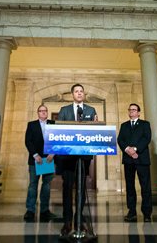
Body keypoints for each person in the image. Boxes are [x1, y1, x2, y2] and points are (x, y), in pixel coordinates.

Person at [57, 83, 98, 237]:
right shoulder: (64, 110)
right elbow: (59, 129)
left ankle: (79, 219)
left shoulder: (91, 110)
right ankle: (67, 221)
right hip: (67, 156)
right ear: (72, 94)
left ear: (84, 94)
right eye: (76, 91)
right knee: (67, 188)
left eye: (81, 91)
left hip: (83, 156)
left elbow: (94, 131)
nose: (79, 93)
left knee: (80, 188)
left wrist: (95, 125)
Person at [117, 103, 152, 222]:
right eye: (130, 109)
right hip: (128, 160)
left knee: (145, 187)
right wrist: (128, 150)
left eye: (134, 110)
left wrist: (135, 149)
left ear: (138, 112)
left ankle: (147, 213)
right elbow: (120, 139)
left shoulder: (145, 124)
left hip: (142, 159)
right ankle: (132, 212)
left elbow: (146, 138)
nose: (131, 111)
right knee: (130, 187)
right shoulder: (124, 125)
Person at [23, 104, 58, 222]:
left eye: (45, 111)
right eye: (41, 111)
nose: (43, 112)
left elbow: (57, 140)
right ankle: (30, 210)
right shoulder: (31, 125)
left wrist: (53, 153)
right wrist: (35, 155)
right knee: (33, 185)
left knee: (46, 186)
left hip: (48, 159)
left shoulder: (53, 124)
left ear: (47, 112)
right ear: (38, 113)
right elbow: (28, 141)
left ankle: (44, 211)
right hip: (35, 160)